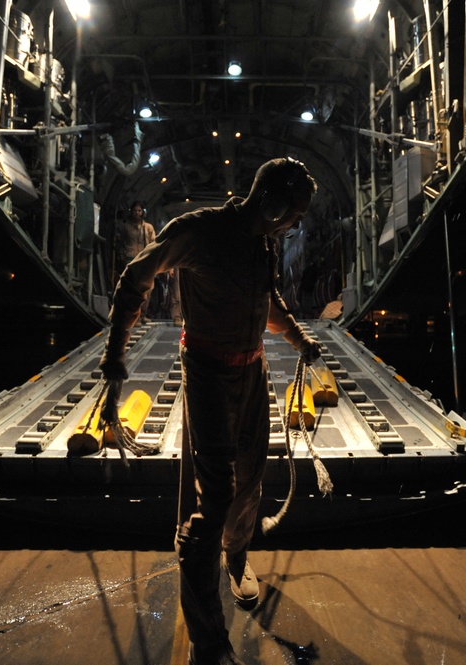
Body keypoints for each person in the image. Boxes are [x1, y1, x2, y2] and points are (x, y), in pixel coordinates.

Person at [99, 157, 322, 665]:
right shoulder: (199, 232)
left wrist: (298, 336)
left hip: (252, 371)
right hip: (206, 371)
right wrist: (115, 353)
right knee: (215, 493)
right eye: (291, 215)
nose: (292, 225)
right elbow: (136, 278)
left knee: (250, 481)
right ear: (270, 202)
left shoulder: (263, 243)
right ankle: (207, 638)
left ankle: (236, 555)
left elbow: (269, 305)